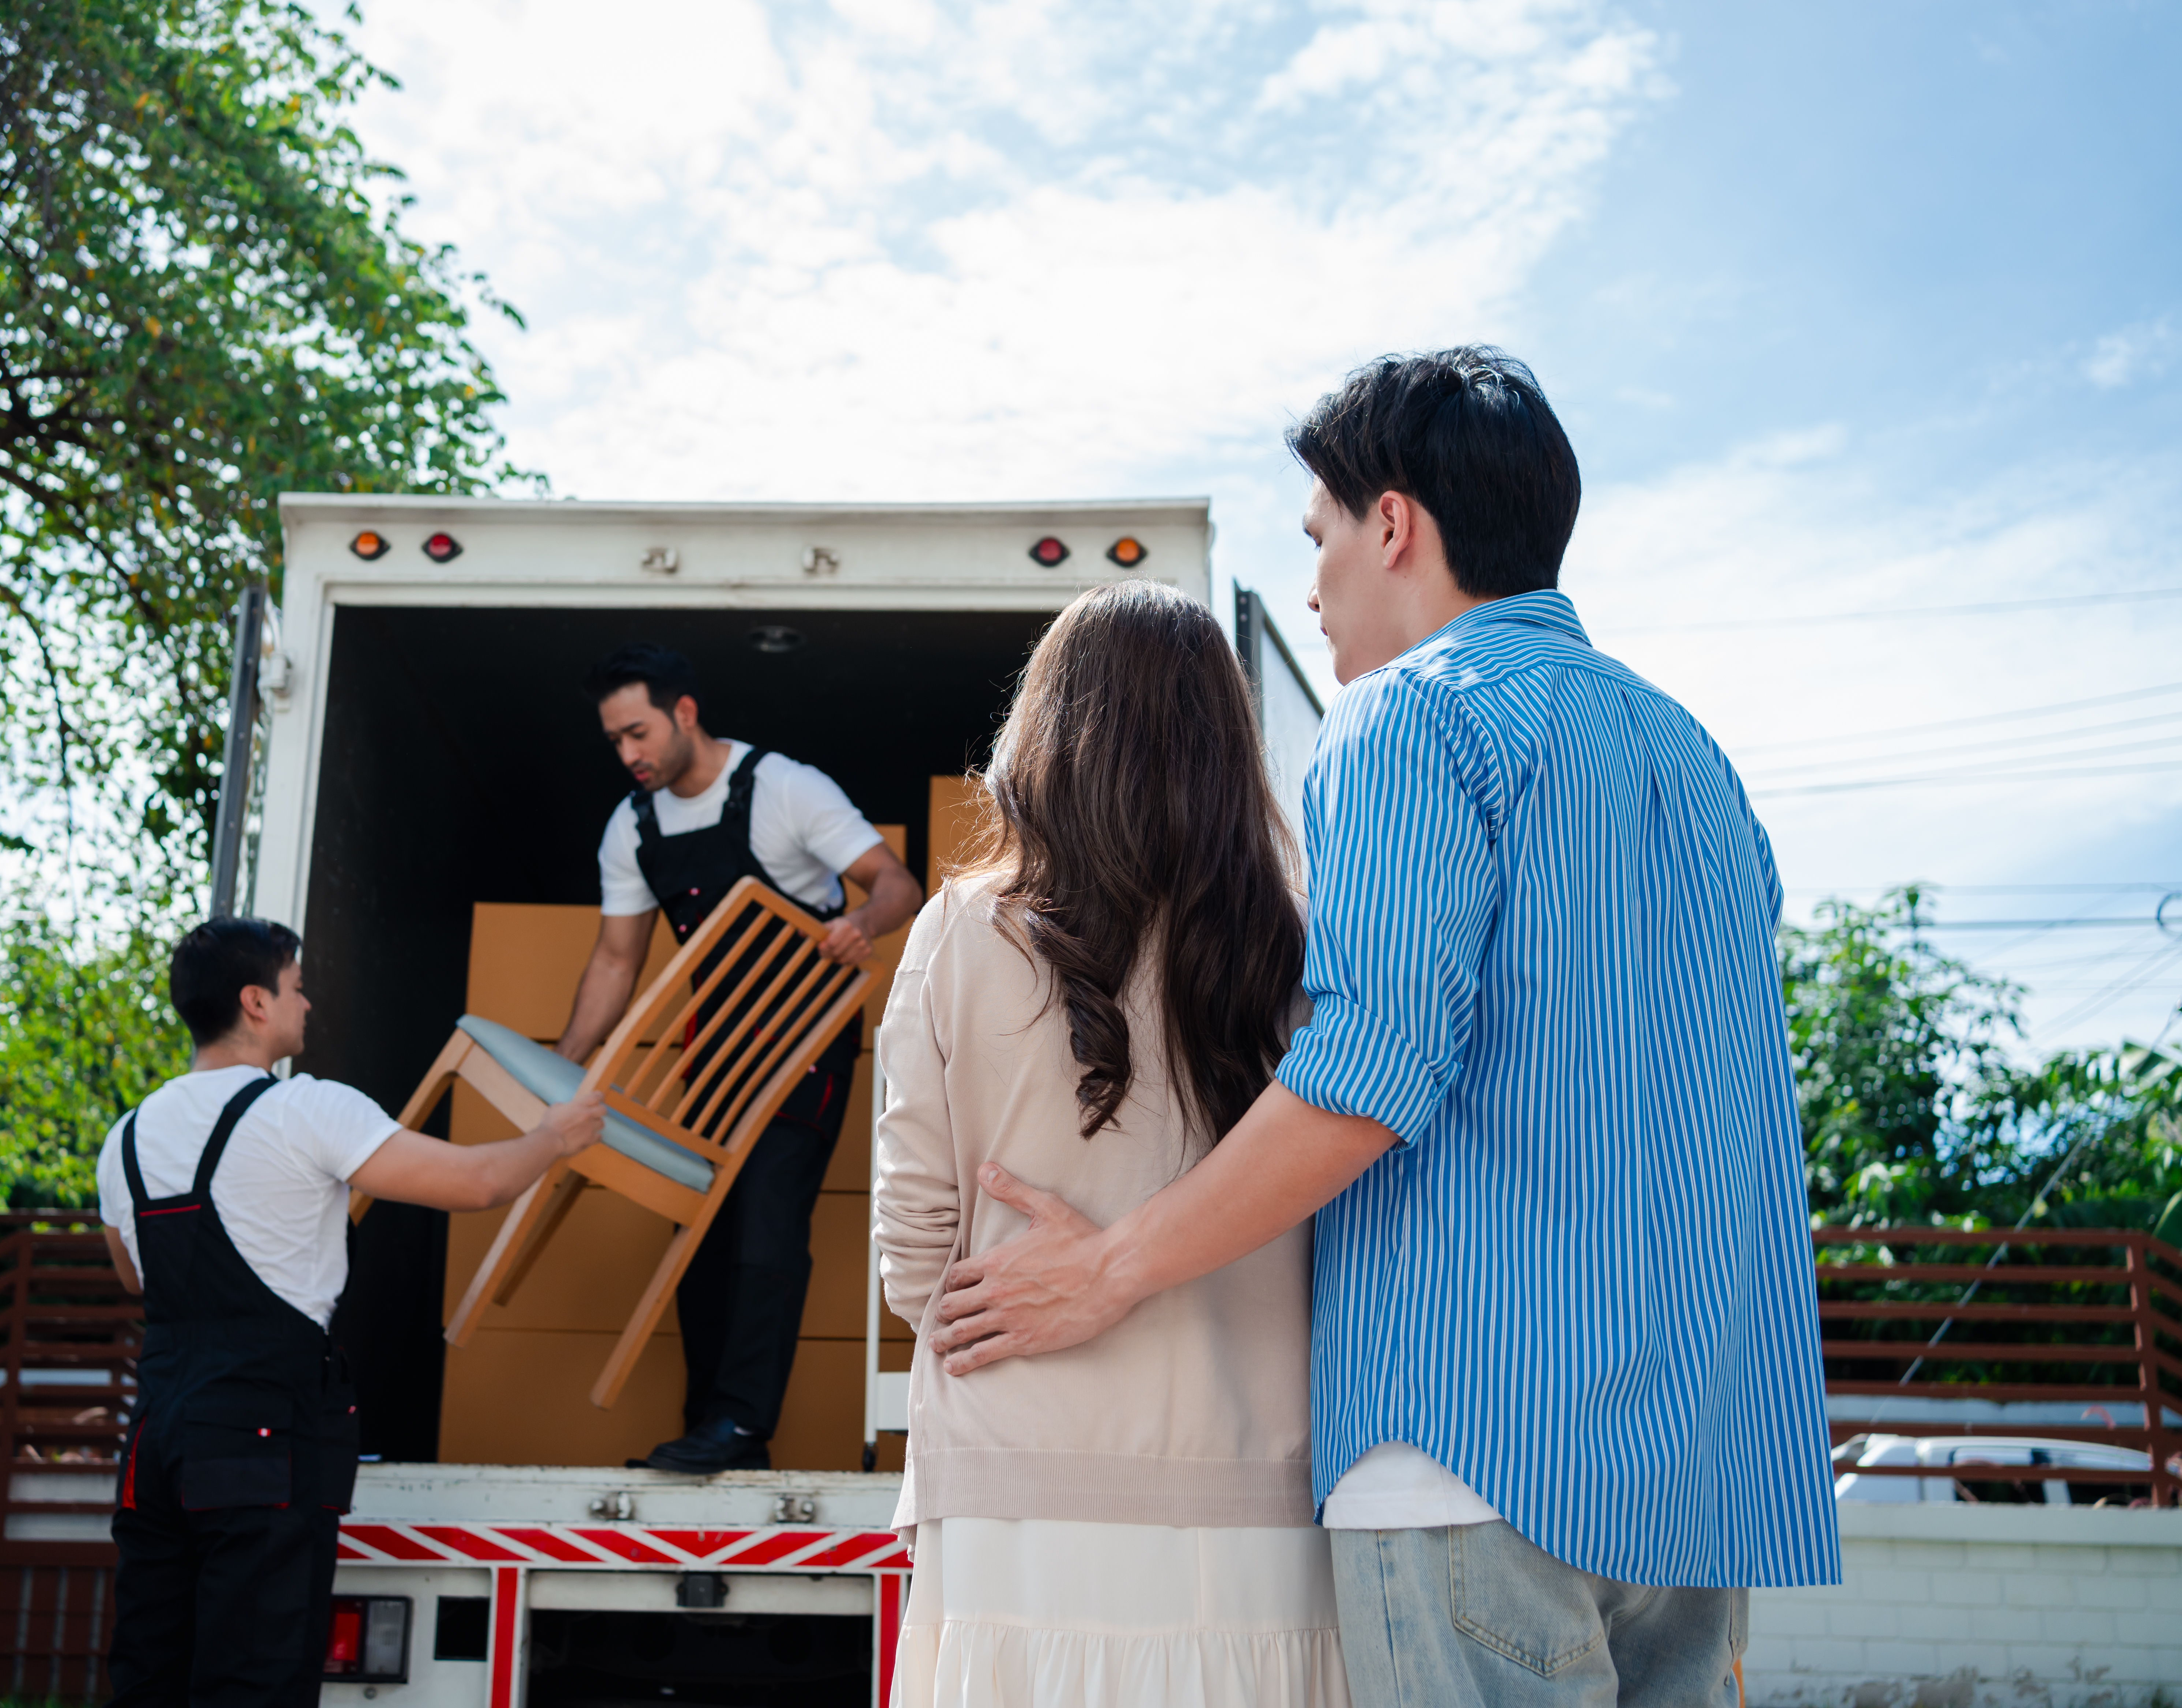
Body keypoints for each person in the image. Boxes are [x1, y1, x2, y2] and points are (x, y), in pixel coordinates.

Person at [927, 348, 1840, 1706]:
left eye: (1319, 536)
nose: (1310, 586)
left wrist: (1111, 1266)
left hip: (1467, 1449)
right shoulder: (1691, 757)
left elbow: (1366, 1074)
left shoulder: (1407, 718)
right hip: (1694, 1472)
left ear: (1393, 523)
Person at [874, 581, 1342, 1707]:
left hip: (1016, 1489)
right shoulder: (1309, 937)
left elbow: (910, 1262)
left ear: (1046, 725)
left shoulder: (958, 932)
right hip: (1259, 1495)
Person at [99, 917, 606, 1708]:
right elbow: (477, 1184)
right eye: (298, 987)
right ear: (256, 1002)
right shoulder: (307, 1110)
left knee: (152, 1669)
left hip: (159, 1432)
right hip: (261, 1426)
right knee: (255, 1676)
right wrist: (553, 1134)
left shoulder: (125, 1137)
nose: (309, 1003)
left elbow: (134, 1275)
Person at [560, 643, 924, 1473]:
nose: (629, 755)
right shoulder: (635, 825)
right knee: (701, 1227)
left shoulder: (785, 788)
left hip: (802, 1036)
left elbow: (896, 885)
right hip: (713, 1045)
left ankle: (739, 1423)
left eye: (639, 732)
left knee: (766, 1217)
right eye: (615, 741)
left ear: (684, 711)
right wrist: (564, 1071)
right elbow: (616, 960)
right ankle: (708, 1426)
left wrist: (860, 925)